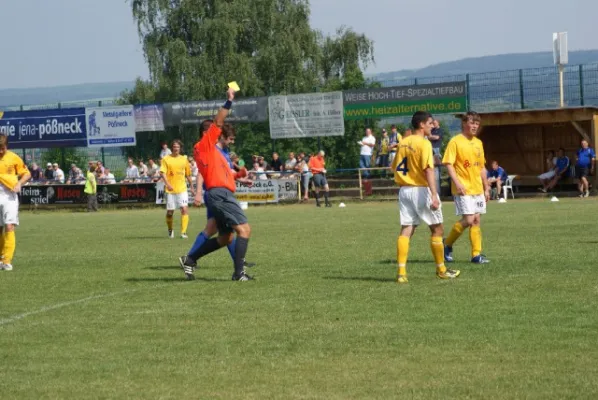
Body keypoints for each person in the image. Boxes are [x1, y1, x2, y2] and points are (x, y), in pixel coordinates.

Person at [179, 87, 255, 281]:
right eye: (213, 130)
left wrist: (240, 177)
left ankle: (190, 259)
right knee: (244, 230)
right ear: (207, 133)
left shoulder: (215, 153)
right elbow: (218, 121)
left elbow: (224, 174)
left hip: (219, 194)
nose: (218, 131)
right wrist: (229, 101)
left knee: (225, 238)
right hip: (220, 194)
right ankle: (239, 274)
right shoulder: (204, 146)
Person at [391, 111, 459, 283]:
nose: (432, 125)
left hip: (404, 190)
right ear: (421, 125)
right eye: (429, 123)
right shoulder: (424, 143)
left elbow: (393, 167)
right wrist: (434, 195)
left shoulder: (403, 142)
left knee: (406, 229)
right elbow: (428, 169)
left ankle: (401, 273)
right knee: (437, 229)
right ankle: (441, 270)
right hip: (420, 190)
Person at [442, 111, 491, 264]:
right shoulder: (455, 141)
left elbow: (481, 166)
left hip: (477, 188)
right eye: (472, 123)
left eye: (477, 123)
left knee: (476, 220)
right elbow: (448, 164)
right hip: (462, 188)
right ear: (464, 123)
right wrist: (457, 183)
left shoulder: (478, 143)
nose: (475, 126)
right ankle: (447, 244)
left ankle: (476, 255)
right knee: (469, 219)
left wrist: (486, 187)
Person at [0, 135, 31, 271]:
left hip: (9, 195)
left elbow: (27, 174)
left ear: (7, 145)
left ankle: (7, 261)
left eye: (3, 148)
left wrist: (19, 183)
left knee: (9, 225)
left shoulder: (13, 157)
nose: (1, 151)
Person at [160, 140, 194, 239]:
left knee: (184, 209)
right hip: (170, 190)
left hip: (182, 189)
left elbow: (188, 174)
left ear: (180, 148)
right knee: (170, 212)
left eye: (178, 147)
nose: (176, 148)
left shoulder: (184, 159)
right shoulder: (166, 159)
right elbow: (162, 173)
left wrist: (192, 187)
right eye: (174, 147)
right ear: (172, 148)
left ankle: (183, 232)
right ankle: (170, 230)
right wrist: (168, 184)